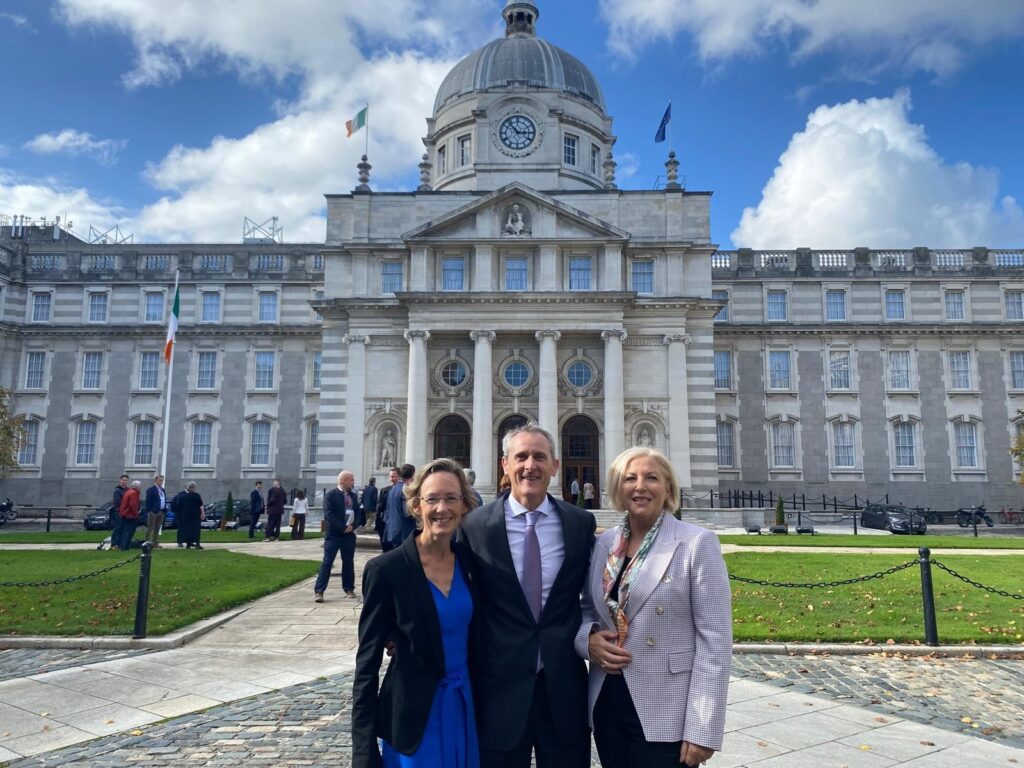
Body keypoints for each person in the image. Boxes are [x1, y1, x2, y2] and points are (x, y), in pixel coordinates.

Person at [576, 447, 731, 768]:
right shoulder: (604, 544)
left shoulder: (696, 543)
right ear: (619, 488)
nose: (640, 486)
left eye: (652, 478)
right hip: (608, 699)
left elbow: (715, 640)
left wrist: (703, 726)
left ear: (669, 488)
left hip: (666, 707)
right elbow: (587, 610)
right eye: (630, 478)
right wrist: (587, 641)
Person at [459, 422, 595, 767]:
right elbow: (451, 588)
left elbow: (595, 595)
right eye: (521, 456)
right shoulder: (475, 526)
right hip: (498, 688)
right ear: (505, 465)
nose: (529, 465)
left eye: (539, 456)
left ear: (555, 466)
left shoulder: (580, 523)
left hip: (563, 688)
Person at [352, 458, 480, 768]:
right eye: (432, 499)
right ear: (416, 506)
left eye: (451, 498)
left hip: (467, 710)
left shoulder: (472, 564)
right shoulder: (386, 570)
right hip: (414, 718)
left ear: (464, 505)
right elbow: (366, 667)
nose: (441, 508)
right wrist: (364, 752)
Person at [314, 471, 363, 601]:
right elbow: (329, 514)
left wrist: (353, 526)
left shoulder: (353, 496)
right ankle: (319, 591)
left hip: (349, 535)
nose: (353, 482)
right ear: (342, 481)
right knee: (327, 562)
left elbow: (358, 513)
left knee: (348, 562)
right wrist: (342, 527)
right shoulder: (331, 495)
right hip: (334, 535)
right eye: (351, 480)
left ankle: (349, 588)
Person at [383, 464, 416, 551]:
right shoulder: (406, 489)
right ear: (413, 474)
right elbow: (408, 512)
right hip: (405, 531)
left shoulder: (393, 489)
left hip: (393, 531)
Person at [176, 481, 205, 549]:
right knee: (196, 530)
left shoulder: (183, 496)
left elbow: (180, 506)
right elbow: (201, 505)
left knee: (188, 530)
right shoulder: (197, 495)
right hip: (195, 515)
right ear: (194, 488)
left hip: (186, 515)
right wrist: (202, 513)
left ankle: (188, 544)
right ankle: (197, 543)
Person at [377, 467, 399, 548]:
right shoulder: (384, 490)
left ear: (399, 477)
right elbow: (379, 508)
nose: (391, 479)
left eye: (393, 476)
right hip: (385, 524)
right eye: (390, 476)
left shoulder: (404, 490)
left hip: (397, 525)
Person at [118, 480, 143, 550]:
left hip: (125, 514)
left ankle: (123, 546)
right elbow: (133, 505)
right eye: (140, 486)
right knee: (129, 532)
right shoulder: (134, 493)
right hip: (130, 515)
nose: (140, 487)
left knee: (125, 531)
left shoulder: (129, 492)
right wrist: (136, 514)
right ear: (136, 486)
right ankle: (125, 546)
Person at [144, 474, 167, 548]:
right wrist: (150, 510)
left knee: (157, 528)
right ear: (156, 480)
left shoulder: (162, 490)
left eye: (162, 480)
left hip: (161, 511)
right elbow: (148, 501)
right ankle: (147, 543)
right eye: (160, 480)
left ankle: (155, 543)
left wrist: (164, 510)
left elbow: (163, 499)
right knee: (150, 527)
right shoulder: (151, 489)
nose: (161, 482)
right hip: (153, 511)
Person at [110, 474, 129, 550]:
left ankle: (120, 543)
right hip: (118, 512)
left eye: (126, 480)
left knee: (123, 528)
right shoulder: (117, 490)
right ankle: (114, 543)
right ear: (120, 480)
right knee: (117, 528)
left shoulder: (128, 490)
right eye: (123, 480)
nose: (124, 481)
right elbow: (117, 502)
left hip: (126, 512)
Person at [361, 478, 379, 545]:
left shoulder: (366, 488)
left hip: (365, 506)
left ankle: (366, 530)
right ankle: (365, 528)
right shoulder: (374, 489)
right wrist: (376, 506)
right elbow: (375, 498)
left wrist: (363, 504)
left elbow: (362, 497)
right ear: (374, 482)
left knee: (367, 518)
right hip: (372, 506)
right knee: (372, 518)